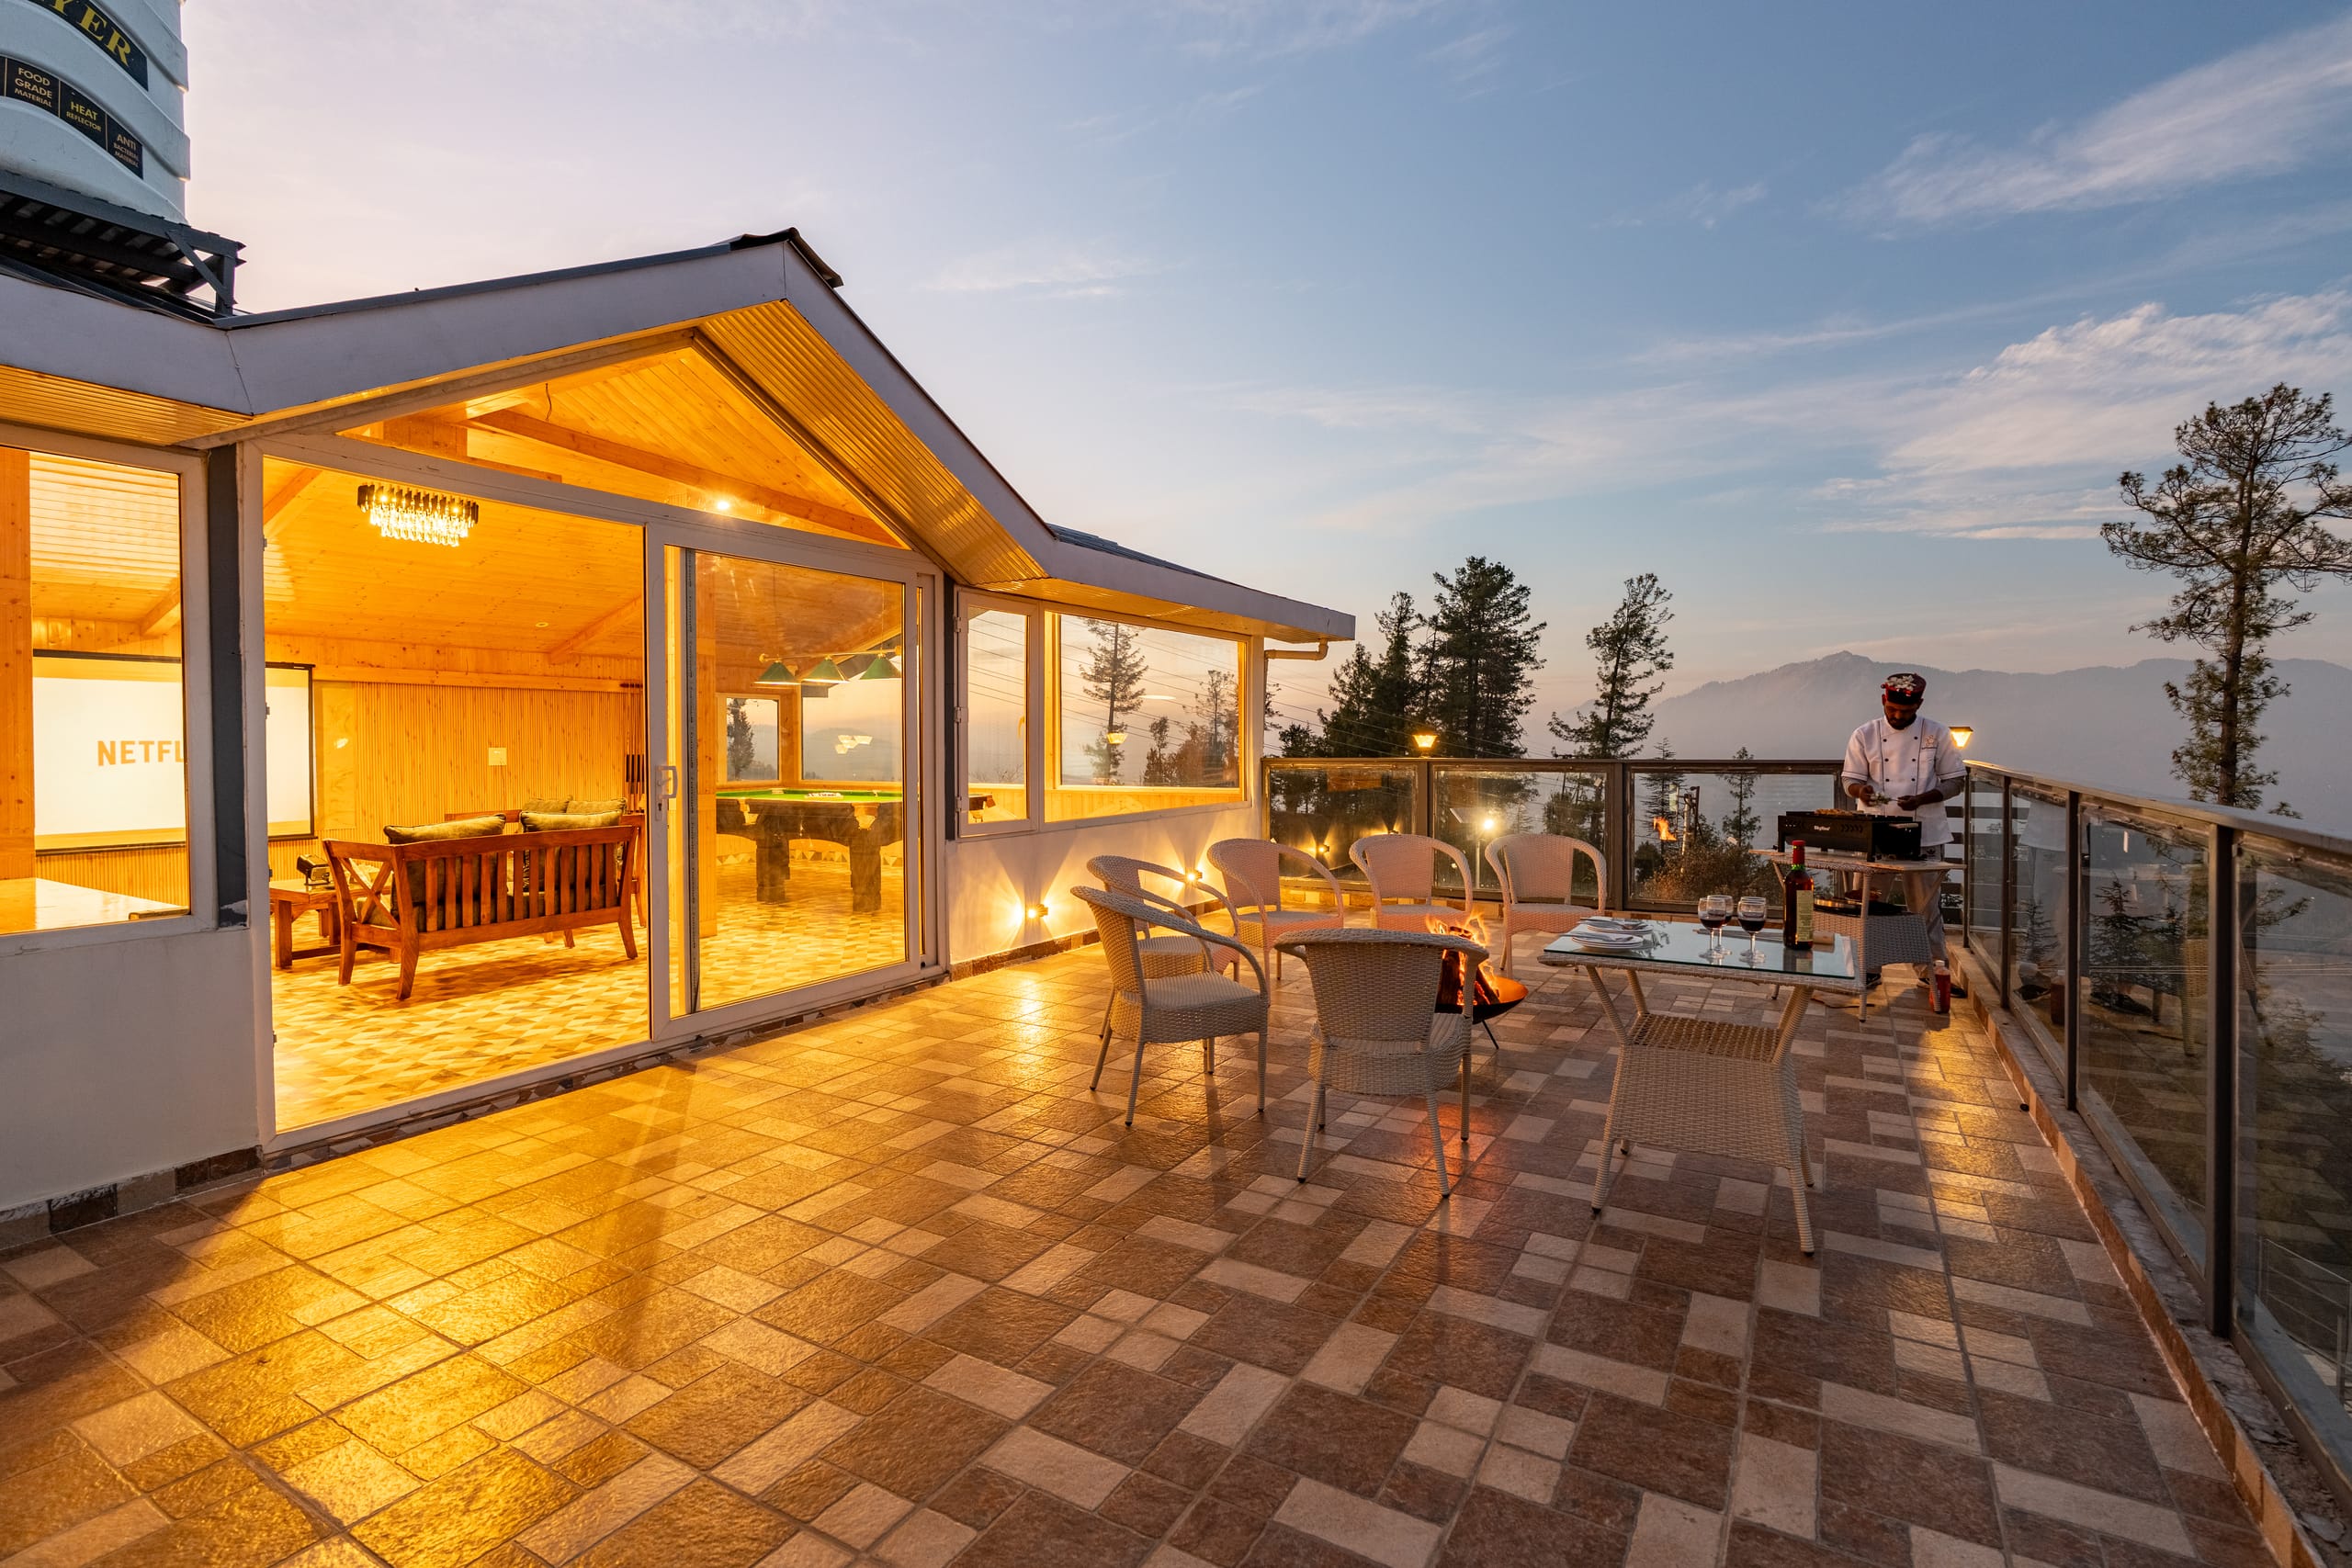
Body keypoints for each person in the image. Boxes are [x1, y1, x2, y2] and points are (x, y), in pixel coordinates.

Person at [1840, 671, 1967, 990]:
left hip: (1924, 831)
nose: (1898, 716)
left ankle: (1932, 971)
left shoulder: (1937, 733)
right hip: (1876, 832)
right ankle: (1865, 967)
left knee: (1925, 907)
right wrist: (1861, 793)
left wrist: (1923, 798)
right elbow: (1849, 780)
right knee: (1868, 903)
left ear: (1919, 705)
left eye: (1906, 712)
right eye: (1893, 710)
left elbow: (1956, 781)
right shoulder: (1864, 734)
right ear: (1884, 701)